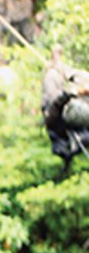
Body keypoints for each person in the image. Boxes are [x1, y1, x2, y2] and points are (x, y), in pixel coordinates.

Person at [41, 45, 89, 175]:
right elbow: (54, 104)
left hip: (67, 121)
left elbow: (76, 75)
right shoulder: (51, 76)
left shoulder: (61, 73)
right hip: (61, 116)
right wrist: (75, 92)